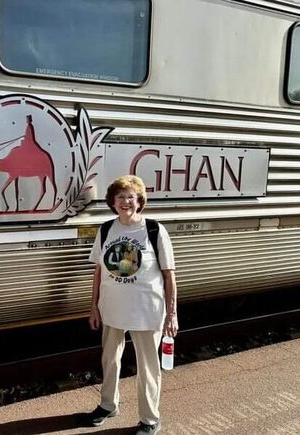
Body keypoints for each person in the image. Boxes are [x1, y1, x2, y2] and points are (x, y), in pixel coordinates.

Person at [84, 175, 178, 435]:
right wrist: (93, 306)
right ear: (112, 202)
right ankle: (108, 405)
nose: (125, 202)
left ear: (139, 202)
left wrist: (172, 314)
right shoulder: (106, 229)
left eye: (130, 197)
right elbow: (98, 272)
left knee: (148, 366)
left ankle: (150, 418)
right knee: (110, 360)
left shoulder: (154, 230)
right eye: (120, 197)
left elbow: (169, 275)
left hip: (147, 310)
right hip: (112, 308)